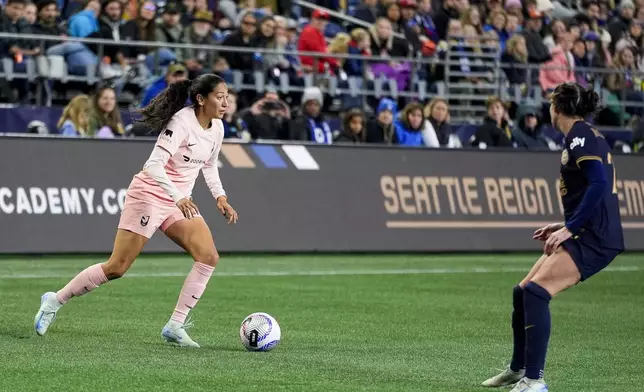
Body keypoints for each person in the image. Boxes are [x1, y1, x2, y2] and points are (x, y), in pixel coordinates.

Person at [33, 74, 239, 348]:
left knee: (208, 256)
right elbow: (153, 165)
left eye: (227, 96)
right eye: (220, 96)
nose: (226, 102)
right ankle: (54, 301)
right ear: (201, 99)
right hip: (150, 194)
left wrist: (220, 197)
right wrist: (178, 196)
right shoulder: (181, 122)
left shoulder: (217, 127)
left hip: (177, 201)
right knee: (117, 267)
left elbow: (209, 165)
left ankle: (175, 326)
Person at [481, 82, 624, 391]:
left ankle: (535, 380)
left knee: (536, 292)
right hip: (587, 228)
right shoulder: (580, 135)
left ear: (557, 107)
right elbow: (591, 188)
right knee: (523, 292)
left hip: (595, 236)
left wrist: (570, 228)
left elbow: (599, 184)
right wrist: (564, 223)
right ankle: (519, 369)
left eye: (550, 102)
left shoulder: (580, 135)